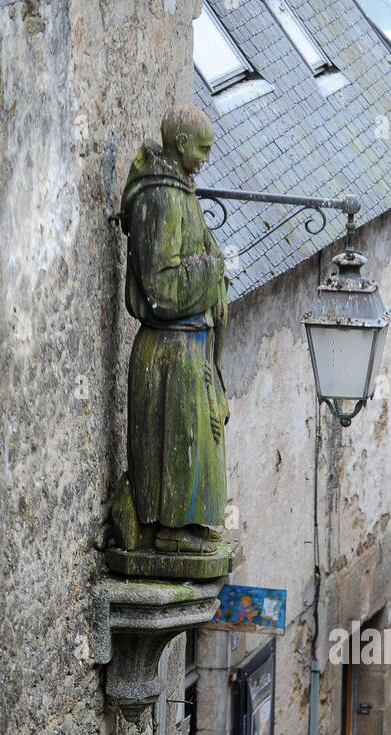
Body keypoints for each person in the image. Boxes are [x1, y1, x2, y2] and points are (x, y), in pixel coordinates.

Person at [118, 105, 229, 556]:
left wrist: (213, 275)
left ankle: (189, 525)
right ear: (181, 145)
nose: (205, 159)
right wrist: (213, 269)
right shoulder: (159, 199)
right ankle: (169, 530)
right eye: (202, 149)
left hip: (188, 348)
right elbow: (161, 289)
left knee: (196, 442)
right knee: (178, 444)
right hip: (168, 349)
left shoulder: (182, 190)